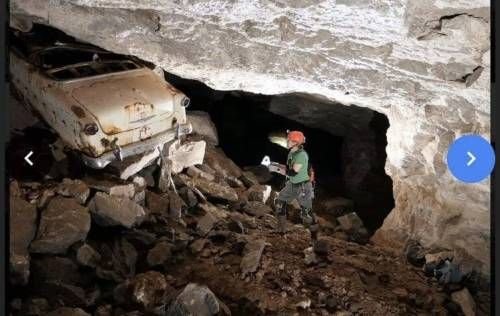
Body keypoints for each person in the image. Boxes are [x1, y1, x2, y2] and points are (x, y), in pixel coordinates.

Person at [274, 130, 318, 245]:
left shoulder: (301, 155)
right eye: (288, 139)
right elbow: (289, 169)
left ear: (296, 143)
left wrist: (276, 169)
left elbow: (293, 172)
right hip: (293, 184)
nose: (287, 141)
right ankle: (281, 231)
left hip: (303, 186)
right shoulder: (291, 153)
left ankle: (314, 238)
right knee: (280, 202)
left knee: (306, 213)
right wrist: (276, 165)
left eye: (289, 140)